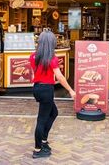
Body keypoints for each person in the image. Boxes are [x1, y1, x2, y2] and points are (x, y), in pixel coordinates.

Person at [29, 29, 76, 159]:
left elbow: (36, 72)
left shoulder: (33, 56)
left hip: (37, 88)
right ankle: (38, 149)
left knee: (53, 113)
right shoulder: (52, 58)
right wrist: (71, 91)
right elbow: (60, 77)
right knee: (42, 119)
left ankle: (43, 141)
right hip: (46, 90)